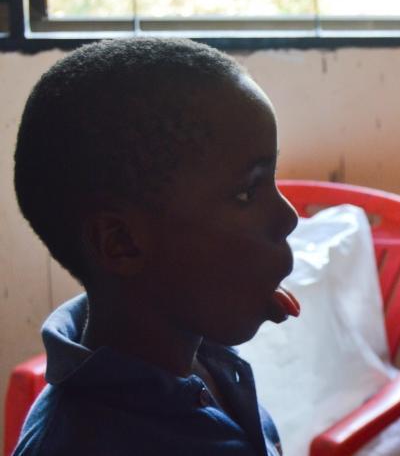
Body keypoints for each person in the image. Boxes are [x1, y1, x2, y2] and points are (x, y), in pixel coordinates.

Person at [11, 37, 302, 455]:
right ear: (123, 244)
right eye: (247, 193)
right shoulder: (79, 442)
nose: (288, 217)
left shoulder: (199, 351)